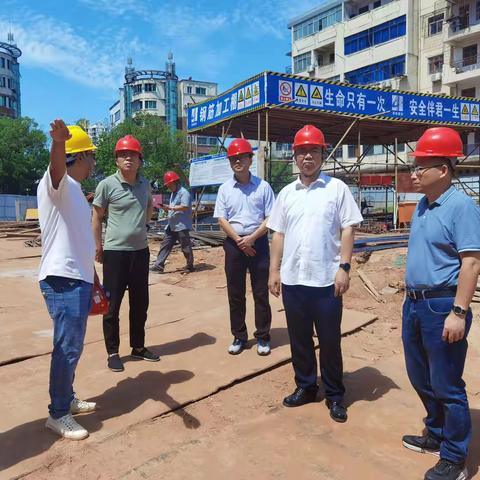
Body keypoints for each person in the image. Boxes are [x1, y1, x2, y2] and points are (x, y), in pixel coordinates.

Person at [267, 124, 363, 422]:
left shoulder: (337, 189)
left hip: (326, 280)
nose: (307, 156)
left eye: (314, 151)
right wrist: (274, 270)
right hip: (294, 279)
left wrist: (345, 267)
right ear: (294, 157)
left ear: (323, 154)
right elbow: (278, 234)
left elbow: (349, 228)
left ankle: (335, 394)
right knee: (299, 340)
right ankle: (306, 386)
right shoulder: (286, 193)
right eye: (302, 151)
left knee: (330, 340)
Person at [401, 127, 480, 480]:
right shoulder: (422, 204)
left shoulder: (461, 207)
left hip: (442, 306)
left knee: (447, 384)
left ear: (443, 170)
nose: (414, 173)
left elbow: (472, 262)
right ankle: (435, 433)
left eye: (421, 166)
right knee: (420, 376)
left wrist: (459, 312)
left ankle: (455, 458)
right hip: (414, 304)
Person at [38, 120, 97, 440]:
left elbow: (77, 237)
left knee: (72, 346)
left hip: (78, 276)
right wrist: (59, 143)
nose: (93, 164)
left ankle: (67, 398)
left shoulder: (74, 191)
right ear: (80, 156)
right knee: (67, 347)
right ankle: (58, 413)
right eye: (91, 157)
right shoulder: (57, 182)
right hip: (63, 279)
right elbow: (57, 168)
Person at [92, 135, 159, 372]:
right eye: (123, 154)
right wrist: (98, 246)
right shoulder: (107, 185)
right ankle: (112, 352)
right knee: (112, 306)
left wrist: (143, 224)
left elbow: (150, 206)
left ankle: (138, 348)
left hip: (140, 252)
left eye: (132, 154)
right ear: (117, 160)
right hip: (115, 254)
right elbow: (97, 217)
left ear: (140, 159)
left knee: (140, 303)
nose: (128, 158)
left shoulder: (145, 184)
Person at [214, 138, 275, 356]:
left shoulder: (263, 187)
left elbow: (270, 218)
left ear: (250, 159)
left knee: (260, 292)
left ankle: (263, 336)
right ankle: (239, 336)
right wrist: (240, 241)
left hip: (258, 243)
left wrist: (251, 238)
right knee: (236, 293)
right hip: (233, 244)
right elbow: (221, 218)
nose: (238, 160)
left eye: (242, 156)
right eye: (233, 158)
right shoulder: (224, 189)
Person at [150, 171, 194, 274]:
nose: (169, 187)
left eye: (170, 185)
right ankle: (158, 265)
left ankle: (189, 265)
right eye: (168, 185)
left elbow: (184, 206)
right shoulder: (173, 194)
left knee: (185, 246)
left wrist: (170, 207)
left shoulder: (184, 192)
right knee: (165, 245)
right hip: (172, 225)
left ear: (175, 182)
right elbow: (173, 208)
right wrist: (166, 209)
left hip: (181, 225)